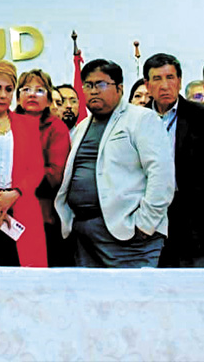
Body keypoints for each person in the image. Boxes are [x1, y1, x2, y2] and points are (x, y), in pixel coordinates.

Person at [55, 59, 174, 268]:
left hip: (129, 234)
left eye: (101, 84)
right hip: (84, 234)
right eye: (88, 85)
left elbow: (161, 175)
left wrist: (144, 225)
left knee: (133, 299)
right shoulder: (82, 126)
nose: (93, 91)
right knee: (93, 300)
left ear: (119, 88)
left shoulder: (142, 119)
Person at [143, 53, 204, 268]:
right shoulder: (137, 119)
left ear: (179, 81)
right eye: (157, 79)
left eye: (170, 77)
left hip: (196, 220)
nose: (164, 85)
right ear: (147, 85)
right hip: (152, 219)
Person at [0, 61, 46, 267]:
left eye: (8, 89)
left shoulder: (28, 124)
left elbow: (36, 169)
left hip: (22, 208)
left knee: (27, 280)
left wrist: (14, 194)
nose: (3, 95)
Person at [12, 68, 70, 266]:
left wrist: (18, 184)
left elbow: (54, 176)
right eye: (26, 89)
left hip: (43, 215)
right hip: (6, 214)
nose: (32, 95)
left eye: (39, 90)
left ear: (49, 97)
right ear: (17, 96)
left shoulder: (56, 127)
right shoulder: (5, 123)